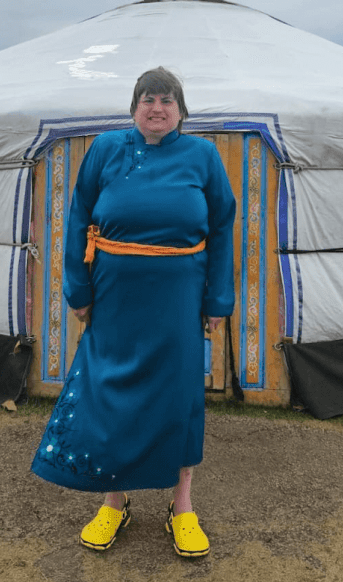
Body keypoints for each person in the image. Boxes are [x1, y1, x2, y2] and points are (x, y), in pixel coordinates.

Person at [31, 66, 236, 558]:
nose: (157, 108)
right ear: (134, 107)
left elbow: (223, 227)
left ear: (181, 111)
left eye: (167, 100)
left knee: (178, 396)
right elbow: (78, 218)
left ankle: (182, 506)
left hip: (179, 296)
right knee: (113, 392)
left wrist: (218, 299)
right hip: (114, 295)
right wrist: (77, 289)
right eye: (148, 99)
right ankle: (114, 501)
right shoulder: (105, 149)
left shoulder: (203, 156)